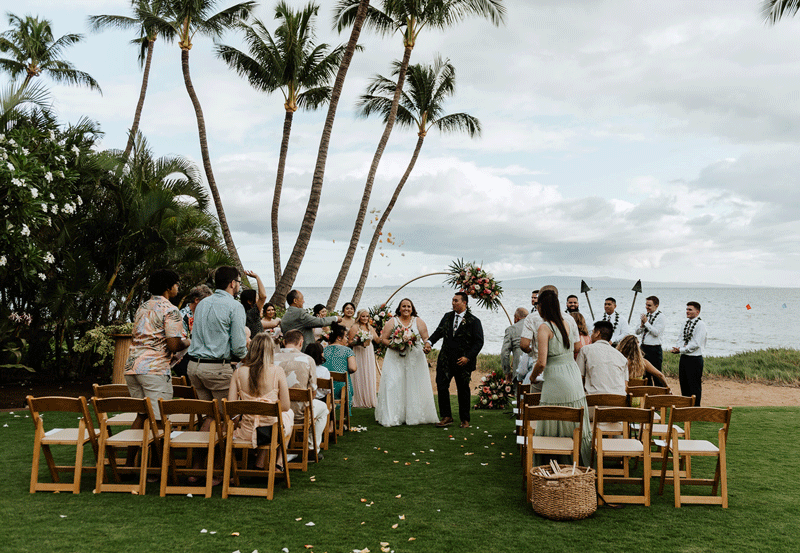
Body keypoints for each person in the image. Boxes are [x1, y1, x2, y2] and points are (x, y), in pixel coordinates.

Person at [530, 290, 592, 465]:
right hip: (572, 374)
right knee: (572, 416)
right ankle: (575, 461)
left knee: (552, 415)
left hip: (556, 377)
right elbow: (577, 346)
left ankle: (551, 462)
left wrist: (533, 378)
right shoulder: (568, 323)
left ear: (542, 307)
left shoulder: (544, 328)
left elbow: (541, 362)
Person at [124, 268, 190, 428]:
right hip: (154, 370)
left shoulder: (143, 307)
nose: (178, 287)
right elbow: (173, 345)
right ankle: (160, 454)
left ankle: (133, 454)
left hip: (133, 368)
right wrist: (187, 342)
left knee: (142, 415)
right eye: (176, 284)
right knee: (160, 419)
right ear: (168, 287)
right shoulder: (171, 310)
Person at [228, 333, 293, 469]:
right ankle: (279, 461)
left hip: (246, 432)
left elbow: (231, 407)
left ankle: (260, 462)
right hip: (270, 433)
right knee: (288, 414)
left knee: (268, 417)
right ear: (270, 351)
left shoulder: (238, 372)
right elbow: (286, 406)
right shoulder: (277, 371)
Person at [186, 266, 248, 403]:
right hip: (216, 369)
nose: (239, 285)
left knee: (210, 414)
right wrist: (250, 359)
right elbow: (238, 346)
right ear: (232, 283)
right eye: (239, 281)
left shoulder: (202, 303)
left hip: (194, 367)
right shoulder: (235, 306)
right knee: (229, 416)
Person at [424, 292, 484, 429]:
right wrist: (429, 343)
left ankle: (465, 419)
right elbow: (438, 332)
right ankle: (446, 416)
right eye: (452, 300)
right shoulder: (447, 317)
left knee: (463, 389)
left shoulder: (474, 321)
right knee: (441, 386)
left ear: (465, 303)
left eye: (456, 300)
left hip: (463, 361)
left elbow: (479, 342)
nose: (453, 303)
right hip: (445, 359)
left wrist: (468, 357)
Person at [376, 298, 439, 427]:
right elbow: (383, 339)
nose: (406, 309)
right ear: (399, 308)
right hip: (395, 357)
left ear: (412, 308)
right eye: (403, 306)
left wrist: (427, 345)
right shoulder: (392, 321)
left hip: (415, 358)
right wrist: (395, 346)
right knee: (393, 383)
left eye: (408, 306)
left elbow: (426, 337)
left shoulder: (418, 321)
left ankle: (415, 415)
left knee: (414, 384)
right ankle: (393, 416)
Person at [274, 330, 328, 460]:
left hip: (275, 410)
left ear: (284, 342)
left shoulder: (272, 357)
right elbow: (313, 391)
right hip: (300, 412)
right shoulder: (308, 360)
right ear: (301, 342)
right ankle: (311, 448)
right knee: (324, 409)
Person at [575, 320, 629, 396]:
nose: (591, 335)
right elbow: (625, 385)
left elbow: (579, 378)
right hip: (619, 401)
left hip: (594, 399)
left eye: (593, 332)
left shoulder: (585, 350)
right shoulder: (622, 357)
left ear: (598, 333)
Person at [671, 301, 707, 405]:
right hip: (684, 358)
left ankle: (695, 409)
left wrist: (681, 350)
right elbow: (681, 338)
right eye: (687, 309)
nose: (687, 311)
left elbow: (696, 343)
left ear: (697, 312)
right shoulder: (685, 323)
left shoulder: (700, 325)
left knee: (694, 386)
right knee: (684, 384)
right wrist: (677, 348)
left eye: (690, 309)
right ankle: (685, 407)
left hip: (695, 359)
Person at [173, 284, 211, 378]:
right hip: (183, 358)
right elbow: (180, 343)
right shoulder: (182, 316)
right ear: (196, 300)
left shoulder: (202, 316)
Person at [322, 323, 357, 417]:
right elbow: (353, 368)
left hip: (326, 387)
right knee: (346, 383)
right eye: (345, 336)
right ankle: (345, 420)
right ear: (339, 338)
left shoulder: (323, 350)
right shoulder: (347, 350)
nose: (347, 339)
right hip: (342, 388)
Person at [348, 308, 379, 408]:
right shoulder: (355, 327)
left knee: (369, 372)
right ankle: (358, 399)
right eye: (363, 316)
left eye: (367, 316)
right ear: (359, 317)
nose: (365, 318)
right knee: (360, 373)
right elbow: (349, 342)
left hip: (369, 352)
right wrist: (359, 342)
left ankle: (369, 398)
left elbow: (377, 340)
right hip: (359, 352)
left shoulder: (370, 327)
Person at [634, 295, 666, 383]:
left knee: (656, 375)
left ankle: (658, 395)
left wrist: (646, 323)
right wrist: (641, 325)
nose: (646, 307)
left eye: (649, 305)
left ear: (656, 306)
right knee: (644, 375)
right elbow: (637, 332)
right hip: (643, 348)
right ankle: (647, 395)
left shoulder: (661, 317)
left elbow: (656, 333)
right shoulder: (645, 316)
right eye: (646, 305)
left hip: (654, 349)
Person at [500, 307, 528, 381]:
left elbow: (504, 353)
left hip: (519, 370)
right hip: (536, 371)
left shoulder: (511, 329)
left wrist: (507, 372)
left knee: (518, 391)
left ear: (517, 318)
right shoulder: (537, 327)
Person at [240, 270, 267, 340]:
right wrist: (257, 277)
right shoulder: (252, 313)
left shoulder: (242, 312)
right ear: (249, 301)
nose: (259, 301)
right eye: (257, 299)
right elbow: (263, 296)